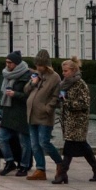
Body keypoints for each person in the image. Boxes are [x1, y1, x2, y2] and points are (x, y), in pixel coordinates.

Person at [56, 56, 96, 184]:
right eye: (63, 71)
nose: (63, 73)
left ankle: (62, 174)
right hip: (68, 120)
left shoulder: (80, 84)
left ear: (73, 70)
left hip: (78, 121)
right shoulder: (65, 84)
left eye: (65, 71)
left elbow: (84, 103)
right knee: (83, 147)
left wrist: (67, 103)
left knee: (69, 147)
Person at [25, 49, 64, 180]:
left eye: (40, 65)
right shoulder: (36, 74)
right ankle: (40, 169)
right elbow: (26, 90)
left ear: (46, 65)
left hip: (44, 116)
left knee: (44, 142)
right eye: (36, 65)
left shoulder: (55, 78)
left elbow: (56, 97)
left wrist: (48, 108)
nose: (38, 67)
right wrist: (32, 82)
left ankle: (60, 163)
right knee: (34, 144)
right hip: (31, 114)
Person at [0, 51, 33, 176]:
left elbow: (31, 95)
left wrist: (15, 94)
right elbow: (3, 94)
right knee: (1, 138)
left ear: (17, 64)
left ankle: (24, 165)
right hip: (8, 111)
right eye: (6, 62)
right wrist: (0, 107)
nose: (7, 65)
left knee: (24, 141)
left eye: (10, 62)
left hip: (21, 113)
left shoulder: (28, 76)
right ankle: (9, 161)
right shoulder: (7, 74)